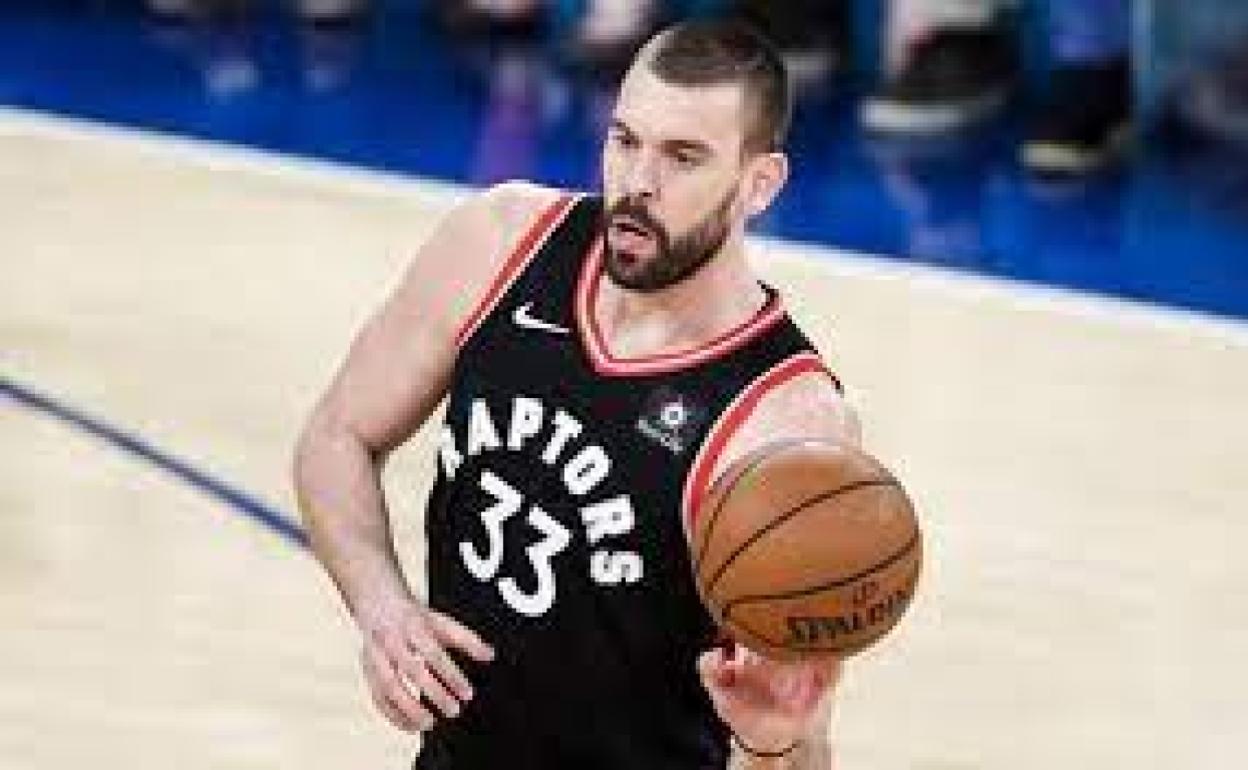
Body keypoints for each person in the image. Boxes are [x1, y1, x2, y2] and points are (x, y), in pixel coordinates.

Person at [294, 19, 860, 769]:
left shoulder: (786, 424)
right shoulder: (500, 244)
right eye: (625, 141)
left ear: (761, 183)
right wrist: (381, 606)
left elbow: (799, 739)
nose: (638, 183)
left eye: (683, 158)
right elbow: (337, 435)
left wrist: (774, 741)